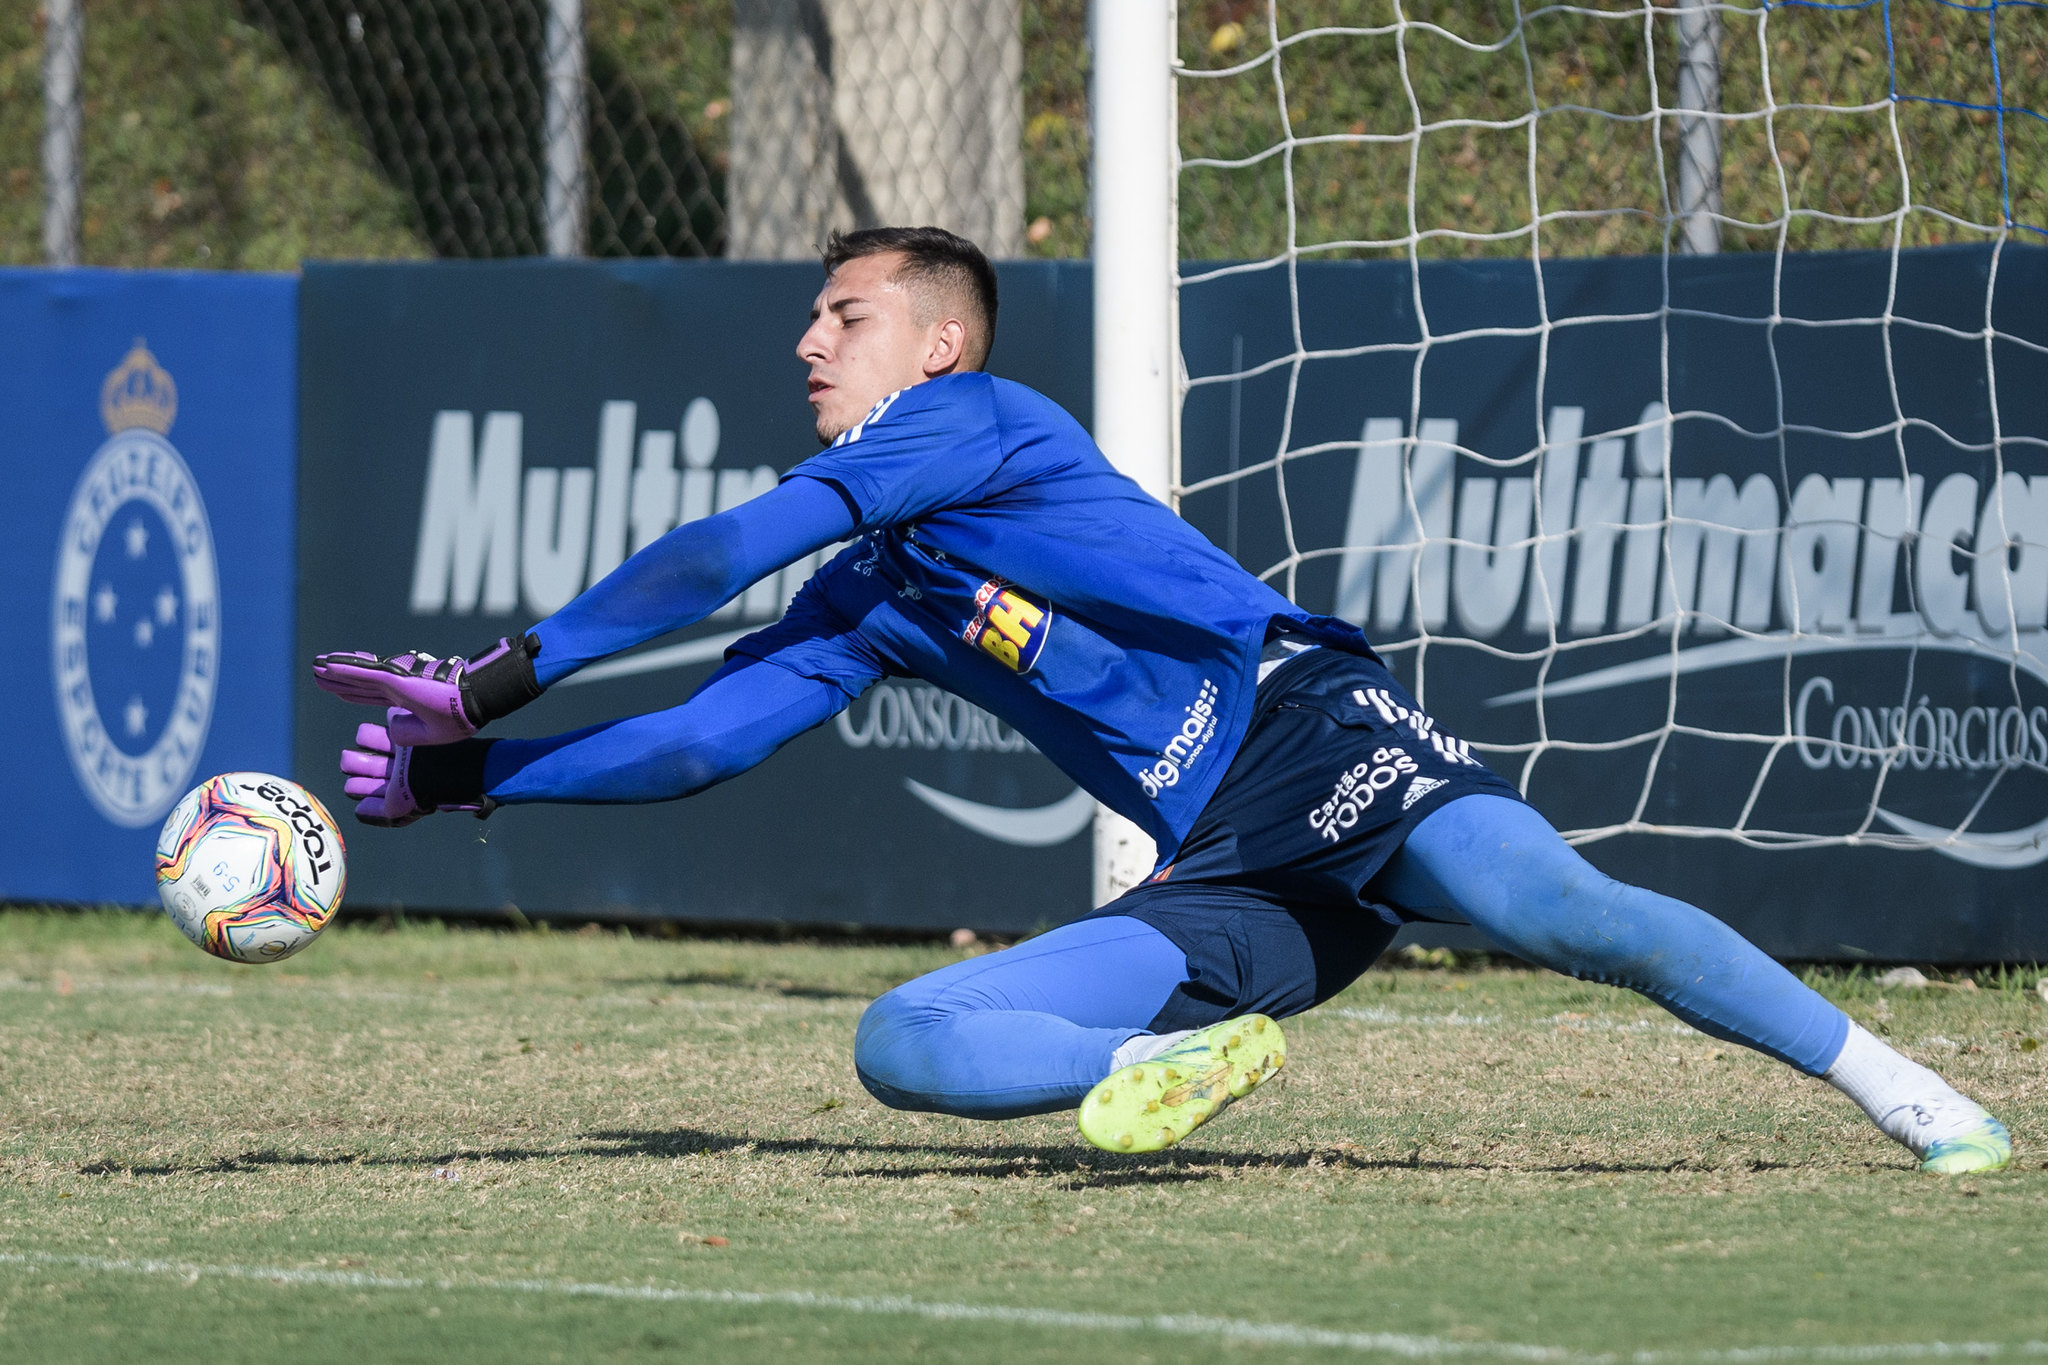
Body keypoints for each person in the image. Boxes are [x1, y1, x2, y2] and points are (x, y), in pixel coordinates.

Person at [315, 226, 2009, 1174]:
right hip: (1217, 865)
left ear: (939, 350)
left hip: (1306, 732)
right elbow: (707, 734)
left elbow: (720, 547)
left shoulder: (976, 430)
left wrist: (498, 671)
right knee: (903, 1040)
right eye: (812, 320)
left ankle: (1905, 1089)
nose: (809, 344)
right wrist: (481, 777)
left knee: (1566, 911)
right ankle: (1163, 1066)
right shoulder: (876, 593)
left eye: (845, 315)